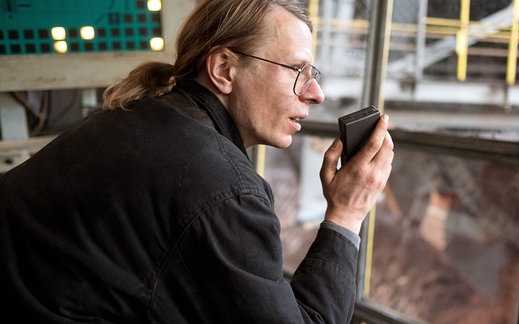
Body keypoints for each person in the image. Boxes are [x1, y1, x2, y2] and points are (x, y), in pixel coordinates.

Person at [0, 0, 394, 322]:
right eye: (296, 70)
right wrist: (346, 214)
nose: (316, 93)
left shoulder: (135, 116)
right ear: (224, 69)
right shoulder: (222, 188)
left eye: (313, 73)